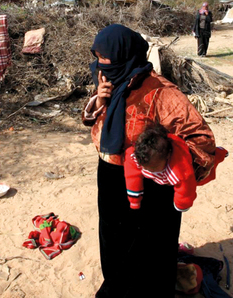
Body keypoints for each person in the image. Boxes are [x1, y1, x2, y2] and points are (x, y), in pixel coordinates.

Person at [83, 24, 217, 298]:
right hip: (110, 174)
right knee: (113, 239)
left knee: (150, 246)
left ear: (126, 57)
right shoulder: (109, 82)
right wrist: (98, 103)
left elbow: (203, 140)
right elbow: (96, 124)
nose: (100, 66)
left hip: (152, 185)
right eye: (98, 59)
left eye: (106, 60)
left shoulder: (161, 93)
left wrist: (160, 157)